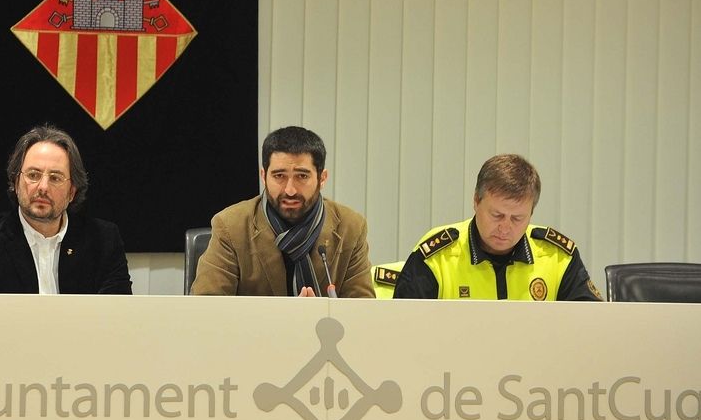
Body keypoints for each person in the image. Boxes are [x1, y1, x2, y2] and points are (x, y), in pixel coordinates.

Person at [191, 126, 374, 297]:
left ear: (322, 178)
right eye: (279, 176)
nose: (290, 190)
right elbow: (206, 305)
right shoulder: (230, 226)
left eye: (302, 176)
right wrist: (290, 316)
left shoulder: (351, 227)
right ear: (264, 176)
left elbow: (362, 310)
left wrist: (318, 313)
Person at [393, 154, 602, 301]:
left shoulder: (557, 257)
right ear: (476, 201)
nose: (505, 227)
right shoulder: (437, 257)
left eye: (517, 218)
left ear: (531, 213)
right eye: (497, 215)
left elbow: (589, 326)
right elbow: (404, 328)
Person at [0, 125, 132, 294]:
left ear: (72, 192)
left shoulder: (104, 240)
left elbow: (118, 311)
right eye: (33, 175)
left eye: (55, 178)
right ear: (16, 183)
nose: (43, 187)